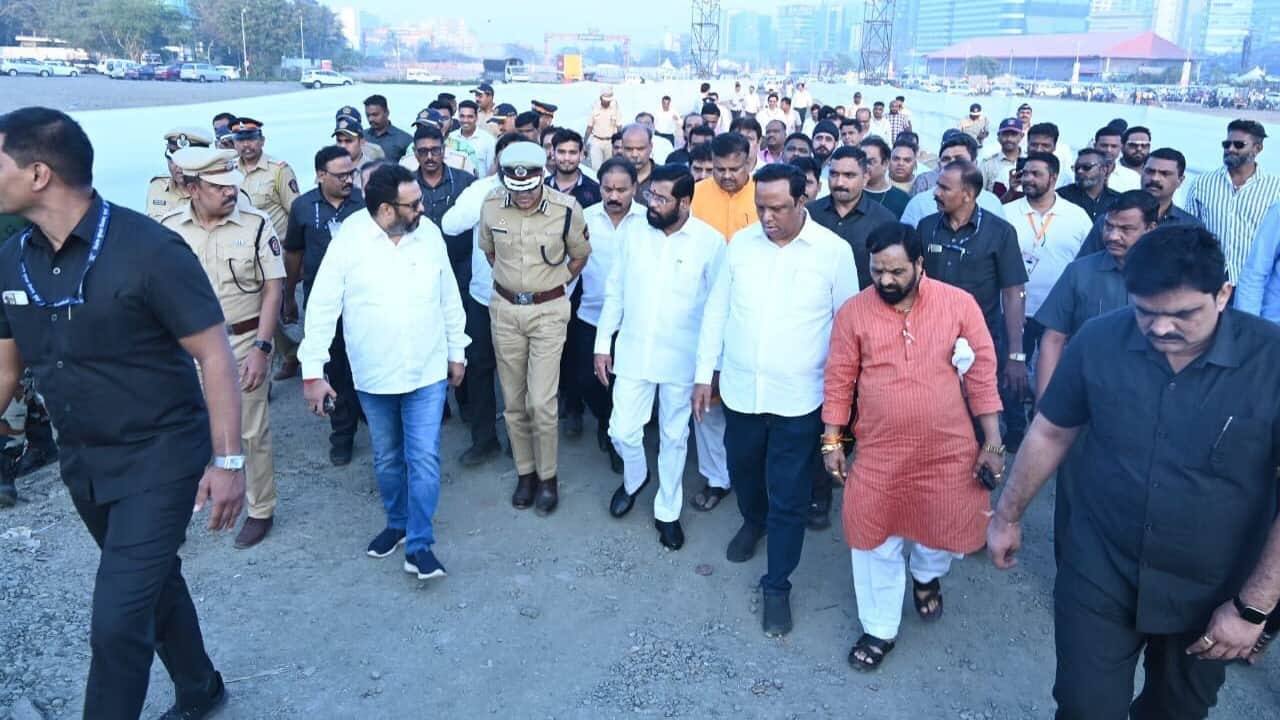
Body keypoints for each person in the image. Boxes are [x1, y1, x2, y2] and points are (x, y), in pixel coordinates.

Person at [0, 106, 243, 720]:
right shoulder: (12, 260)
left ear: (37, 174)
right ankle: (200, 688)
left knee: (115, 623)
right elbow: (5, 367)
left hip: (160, 456)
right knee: (152, 584)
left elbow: (215, 354)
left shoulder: (150, 250)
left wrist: (229, 461)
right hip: (83, 460)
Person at [988, 224, 1280, 719]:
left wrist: (1253, 608)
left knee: (1175, 711)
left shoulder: (1271, 361)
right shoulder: (1099, 340)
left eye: (1184, 314)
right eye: (1147, 313)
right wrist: (1007, 516)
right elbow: (1051, 431)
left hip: (1211, 589)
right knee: (1084, 708)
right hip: (1101, 569)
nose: (1162, 328)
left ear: (1223, 294)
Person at [823, 223, 1004, 671]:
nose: (885, 280)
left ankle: (926, 576)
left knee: (944, 521)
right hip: (881, 449)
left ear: (920, 265)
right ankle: (880, 627)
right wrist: (833, 440)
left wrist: (994, 443)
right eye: (877, 270)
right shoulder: (854, 313)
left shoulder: (958, 305)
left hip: (948, 448)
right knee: (871, 534)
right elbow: (840, 379)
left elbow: (981, 374)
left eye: (896, 271)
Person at [694, 163, 857, 636]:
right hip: (742, 392)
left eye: (777, 208)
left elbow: (848, 330)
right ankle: (753, 520)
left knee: (790, 494)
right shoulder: (740, 245)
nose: (766, 217)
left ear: (803, 200)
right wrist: (706, 373)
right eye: (759, 207)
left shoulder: (833, 252)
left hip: (800, 399)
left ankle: (777, 584)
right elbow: (717, 309)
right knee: (744, 471)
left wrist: (840, 406)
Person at [302, 164, 468, 581]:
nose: (423, 210)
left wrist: (457, 351)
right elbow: (322, 306)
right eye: (413, 205)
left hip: (427, 368)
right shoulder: (349, 240)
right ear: (385, 209)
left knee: (425, 458)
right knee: (388, 457)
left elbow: (449, 294)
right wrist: (312, 370)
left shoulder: (427, 235)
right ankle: (396, 523)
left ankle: (419, 544)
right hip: (374, 373)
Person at [594, 163, 723, 548]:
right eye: (651, 195)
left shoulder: (710, 242)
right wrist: (603, 343)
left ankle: (667, 511)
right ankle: (635, 478)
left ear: (684, 202)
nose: (651, 204)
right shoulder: (634, 233)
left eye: (661, 198)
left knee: (674, 437)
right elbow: (614, 290)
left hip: (682, 360)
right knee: (622, 430)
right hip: (632, 352)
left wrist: (706, 373)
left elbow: (717, 311)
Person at [161, 147, 284, 550]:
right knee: (186, 427)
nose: (230, 193)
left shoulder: (255, 223)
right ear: (193, 188)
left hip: (242, 340)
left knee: (250, 431)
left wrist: (263, 348)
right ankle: (193, 501)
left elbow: (273, 288)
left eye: (232, 185)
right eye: (218, 187)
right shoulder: (169, 228)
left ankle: (260, 509)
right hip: (186, 347)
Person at [1033, 190, 1157, 563]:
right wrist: (1046, 404)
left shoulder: (1170, 278)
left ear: (1151, 229)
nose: (1113, 236)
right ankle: (1070, 572)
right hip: (1084, 406)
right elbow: (1053, 336)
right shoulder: (1082, 271)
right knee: (1072, 493)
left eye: (1126, 229)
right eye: (1109, 226)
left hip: (1148, 411)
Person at [479, 142, 591, 514]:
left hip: (548, 311)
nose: (523, 197)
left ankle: (548, 478)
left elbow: (580, 255)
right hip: (506, 309)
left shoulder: (566, 209)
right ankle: (524, 473)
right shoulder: (492, 204)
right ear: (504, 180)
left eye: (530, 189)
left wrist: (554, 282)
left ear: (542, 176)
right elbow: (490, 251)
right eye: (516, 189)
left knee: (541, 402)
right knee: (513, 400)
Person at [919, 162, 1030, 450]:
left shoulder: (1000, 232)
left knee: (980, 412)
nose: (936, 192)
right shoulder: (927, 227)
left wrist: (1016, 354)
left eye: (944, 187)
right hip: (930, 339)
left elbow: (1013, 291)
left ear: (967, 194)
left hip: (981, 340)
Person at [441, 133, 526, 466]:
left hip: (523, 300)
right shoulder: (480, 190)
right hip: (483, 296)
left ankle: (520, 441)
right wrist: (484, 199)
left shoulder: (543, 194)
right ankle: (484, 439)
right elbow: (450, 225)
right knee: (479, 368)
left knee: (520, 371)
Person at [283, 146, 365, 465]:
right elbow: (293, 253)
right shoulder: (303, 207)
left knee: (366, 364)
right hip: (323, 305)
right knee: (334, 369)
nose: (348, 179)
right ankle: (342, 435)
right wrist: (290, 294)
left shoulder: (364, 203)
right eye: (340, 174)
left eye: (351, 173)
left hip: (363, 303)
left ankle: (368, 415)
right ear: (320, 175)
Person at [573, 158, 644, 472]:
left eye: (621, 189)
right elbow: (572, 265)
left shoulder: (647, 222)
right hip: (590, 316)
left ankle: (619, 440)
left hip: (633, 320)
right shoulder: (583, 219)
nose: (614, 196)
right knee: (588, 381)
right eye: (607, 189)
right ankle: (604, 419)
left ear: (635, 188)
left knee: (624, 383)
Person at [1001, 152, 1093, 368]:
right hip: (1012, 315)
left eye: (1036, 174)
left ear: (1053, 178)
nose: (1028, 179)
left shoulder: (1077, 217)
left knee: (1051, 378)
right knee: (1011, 378)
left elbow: (1086, 265)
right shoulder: (1005, 213)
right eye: (1025, 173)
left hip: (1058, 316)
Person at [412, 126, 477, 422]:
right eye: (423, 151)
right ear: (415, 153)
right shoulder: (405, 186)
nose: (429, 156)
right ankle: (438, 402)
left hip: (462, 269)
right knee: (427, 339)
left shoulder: (465, 183)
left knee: (463, 337)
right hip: (420, 273)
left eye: (435, 150)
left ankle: (466, 399)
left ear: (443, 151)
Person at [230, 117, 300, 382]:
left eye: (250, 139)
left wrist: (295, 255)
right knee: (252, 311)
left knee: (271, 308)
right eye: (240, 140)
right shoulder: (228, 171)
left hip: (275, 253)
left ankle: (278, 359)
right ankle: (286, 352)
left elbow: (295, 212)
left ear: (261, 140)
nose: (246, 145)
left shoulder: (278, 171)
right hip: (239, 254)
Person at [1185, 119, 1280, 284]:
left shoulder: (1275, 188)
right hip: (1209, 280)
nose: (1230, 149)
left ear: (1258, 148)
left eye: (1239, 145)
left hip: (1255, 285)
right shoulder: (1202, 183)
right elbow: (1189, 232)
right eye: (1226, 144)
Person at [1076, 148, 1203, 258]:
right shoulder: (1110, 219)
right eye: (1150, 171)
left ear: (1180, 180)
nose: (1155, 178)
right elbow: (1084, 266)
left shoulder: (1190, 227)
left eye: (1164, 174)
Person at [809, 146, 898, 291]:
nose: (839, 183)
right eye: (834, 174)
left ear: (865, 178)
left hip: (864, 306)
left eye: (849, 175)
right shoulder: (809, 214)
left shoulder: (884, 220)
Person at [901, 134, 1006, 228]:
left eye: (959, 159)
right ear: (938, 165)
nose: (952, 164)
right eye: (946, 159)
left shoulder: (991, 203)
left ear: (974, 164)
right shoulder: (919, 204)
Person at [147, 127, 214, 219]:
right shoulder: (158, 186)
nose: (178, 165)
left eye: (187, 158)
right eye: (173, 156)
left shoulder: (218, 191)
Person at [1057, 148, 1118, 222]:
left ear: (1103, 170)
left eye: (1086, 167)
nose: (1080, 171)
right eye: (1076, 168)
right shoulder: (1061, 196)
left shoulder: (1117, 200)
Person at [546, 128, 601, 208]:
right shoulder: (542, 187)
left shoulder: (596, 191)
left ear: (581, 155)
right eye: (561, 152)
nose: (567, 158)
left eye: (572, 152)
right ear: (553, 154)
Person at [333, 110, 386, 191]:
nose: (343, 146)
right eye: (339, 141)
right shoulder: (329, 168)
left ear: (362, 141)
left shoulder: (374, 170)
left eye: (348, 141)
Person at [859, 137, 910, 220]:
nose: (865, 166)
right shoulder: (850, 190)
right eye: (861, 161)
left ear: (885, 164)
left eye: (870, 162)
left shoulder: (902, 199)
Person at [363, 94, 413, 162]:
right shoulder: (361, 137)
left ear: (387, 112)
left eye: (375, 115)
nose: (370, 119)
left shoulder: (405, 140)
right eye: (368, 115)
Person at [980, 118, 1023, 196]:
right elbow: (980, 193)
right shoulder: (988, 164)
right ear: (998, 137)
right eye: (1005, 134)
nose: (1009, 139)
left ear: (1021, 136)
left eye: (1014, 134)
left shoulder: (1029, 161)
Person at [1093, 125, 1140, 192]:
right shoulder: (1078, 171)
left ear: (1121, 148)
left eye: (1114, 146)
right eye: (1104, 145)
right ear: (1095, 146)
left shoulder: (1133, 178)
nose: (1109, 150)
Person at [456, 100, 496, 177]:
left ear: (476, 117)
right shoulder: (450, 138)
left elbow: (491, 171)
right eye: (462, 116)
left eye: (470, 117)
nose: (465, 120)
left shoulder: (488, 140)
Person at [585, 87, 622, 170]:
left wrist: (621, 143)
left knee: (609, 168)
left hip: (610, 143)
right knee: (596, 168)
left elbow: (619, 126)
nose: (607, 102)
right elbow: (589, 127)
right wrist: (584, 144)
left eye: (609, 100)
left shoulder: (615, 108)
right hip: (596, 141)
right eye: (605, 100)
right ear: (601, 98)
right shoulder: (594, 107)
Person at [618, 124, 656, 202]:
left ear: (651, 147)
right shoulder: (612, 176)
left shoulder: (663, 177)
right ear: (622, 148)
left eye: (640, 149)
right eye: (629, 149)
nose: (634, 155)